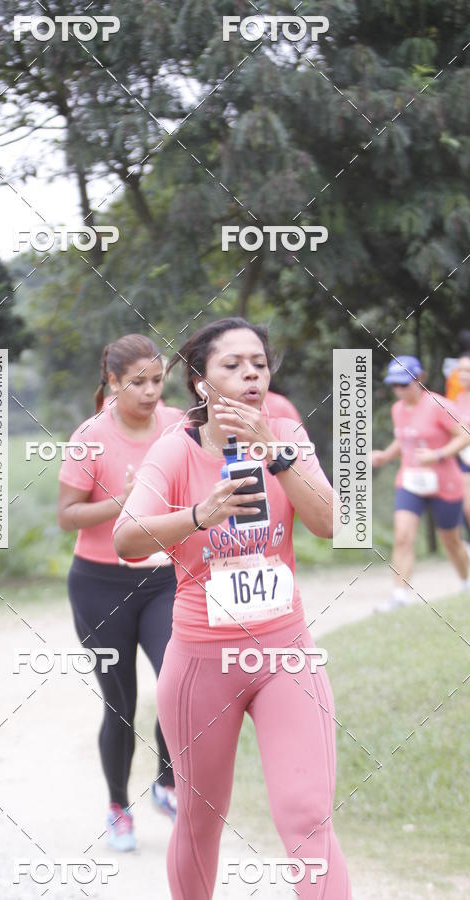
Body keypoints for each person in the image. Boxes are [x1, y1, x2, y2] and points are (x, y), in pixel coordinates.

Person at [113, 317, 352, 899]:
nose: (251, 373)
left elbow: (328, 523)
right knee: (199, 820)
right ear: (199, 383)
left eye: (260, 364)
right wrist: (201, 514)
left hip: (285, 655)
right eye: (232, 364)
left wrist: (279, 457)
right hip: (201, 662)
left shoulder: (287, 433)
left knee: (307, 816)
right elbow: (127, 538)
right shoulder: (175, 450)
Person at [57, 334, 183, 851]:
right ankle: (117, 806)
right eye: (139, 382)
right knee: (121, 703)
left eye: (157, 380)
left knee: (179, 683)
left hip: (163, 580)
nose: (151, 391)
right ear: (112, 382)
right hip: (99, 584)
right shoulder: (89, 437)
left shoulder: (178, 425)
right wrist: (123, 501)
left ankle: (167, 782)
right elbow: (67, 516)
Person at [372, 355, 470, 611]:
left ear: (419, 380)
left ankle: (466, 581)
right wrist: (384, 456)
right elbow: (403, 439)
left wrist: (438, 455)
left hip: (445, 483)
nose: (400, 391)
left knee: (451, 540)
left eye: (405, 384)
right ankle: (399, 596)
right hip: (410, 481)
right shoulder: (398, 410)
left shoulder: (438, 404)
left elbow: (464, 434)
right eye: (395, 385)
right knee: (403, 536)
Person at [453, 354, 470, 550]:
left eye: (467, 371)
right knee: (466, 508)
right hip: (463, 460)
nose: (462, 375)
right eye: (460, 371)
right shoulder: (456, 399)